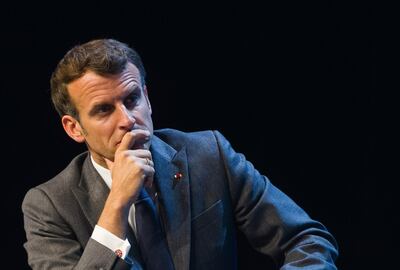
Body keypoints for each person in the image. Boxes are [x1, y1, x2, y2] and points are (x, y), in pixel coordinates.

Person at [22, 38, 339, 270]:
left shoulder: (208, 155)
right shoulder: (50, 206)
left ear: (147, 97)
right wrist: (117, 204)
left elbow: (308, 241)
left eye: (132, 99)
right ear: (74, 128)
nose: (127, 120)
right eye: (104, 110)